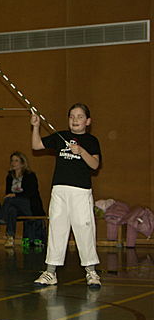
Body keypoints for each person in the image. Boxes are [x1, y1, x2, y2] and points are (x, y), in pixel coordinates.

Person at [30, 104, 102, 288]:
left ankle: (91, 272)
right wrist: (36, 126)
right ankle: (50, 272)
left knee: (84, 230)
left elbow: (95, 165)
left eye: (80, 116)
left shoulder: (91, 140)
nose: (75, 120)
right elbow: (36, 145)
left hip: (81, 192)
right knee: (57, 230)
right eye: (72, 116)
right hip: (59, 191)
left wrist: (81, 151)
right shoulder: (60, 136)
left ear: (88, 121)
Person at [0, 152, 45, 248]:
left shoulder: (30, 175)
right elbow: (8, 193)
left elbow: (30, 192)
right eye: (12, 161)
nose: (13, 163)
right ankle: (10, 238)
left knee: (10, 200)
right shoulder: (10, 177)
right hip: (17, 206)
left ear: (22, 163)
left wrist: (15, 195)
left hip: (29, 206)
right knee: (11, 210)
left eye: (16, 161)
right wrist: (12, 196)